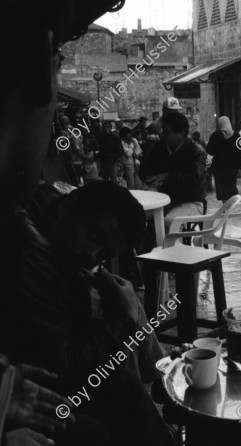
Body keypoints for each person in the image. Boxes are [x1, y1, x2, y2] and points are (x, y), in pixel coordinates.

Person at [0, 2, 178, 443]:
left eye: (103, 252)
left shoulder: (40, 233)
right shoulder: (27, 248)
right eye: (58, 62)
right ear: (42, 72)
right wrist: (121, 320)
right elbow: (64, 359)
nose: (91, 255)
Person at [140, 112, 207, 229]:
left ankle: (170, 246)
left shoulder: (196, 151)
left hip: (190, 202)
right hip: (162, 200)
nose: (162, 135)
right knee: (134, 215)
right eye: (162, 130)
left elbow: (194, 181)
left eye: (167, 132)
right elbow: (144, 172)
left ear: (181, 134)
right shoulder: (160, 148)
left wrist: (167, 177)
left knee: (169, 222)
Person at [206, 116, 241, 203]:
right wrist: (236, 160)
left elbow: (209, 150)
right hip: (233, 168)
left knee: (222, 189)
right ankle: (231, 207)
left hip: (219, 168)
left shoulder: (215, 135)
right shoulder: (236, 136)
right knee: (231, 187)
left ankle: (225, 208)